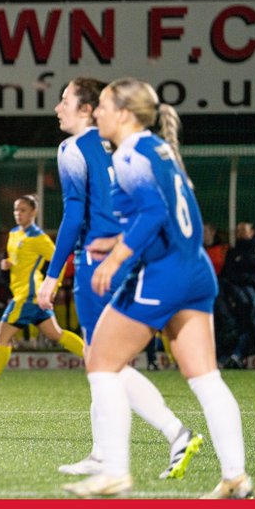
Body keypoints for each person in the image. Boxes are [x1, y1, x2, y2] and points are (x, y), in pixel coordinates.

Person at [65, 78, 254, 499]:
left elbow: (152, 213)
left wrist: (115, 258)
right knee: (206, 379)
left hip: (164, 275)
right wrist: (117, 241)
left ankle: (114, 470)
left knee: (100, 361)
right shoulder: (158, 149)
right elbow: (169, 213)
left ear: (125, 114)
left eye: (105, 106)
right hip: (195, 270)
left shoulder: (131, 154)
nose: (97, 113)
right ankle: (235, 476)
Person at [35, 77, 200, 481]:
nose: (58, 108)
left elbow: (74, 216)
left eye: (65, 100)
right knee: (100, 359)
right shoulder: (117, 146)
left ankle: (175, 432)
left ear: (87, 110)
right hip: (126, 256)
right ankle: (102, 451)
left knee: (104, 361)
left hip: (95, 261)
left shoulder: (72, 148)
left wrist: (52, 276)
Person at [0, 195, 84, 393]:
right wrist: (10, 264)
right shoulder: (14, 234)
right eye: (16, 210)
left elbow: (59, 260)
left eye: (23, 210)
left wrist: (53, 287)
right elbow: (21, 259)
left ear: (33, 212)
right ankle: (94, 359)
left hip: (28, 296)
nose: (18, 214)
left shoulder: (38, 238)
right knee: (56, 334)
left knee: (2, 335)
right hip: (28, 294)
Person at [220, 221, 255, 369]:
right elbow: (230, 274)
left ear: (252, 232)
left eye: (244, 230)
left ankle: (239, 355)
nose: (241, 233)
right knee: (247, 325)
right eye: (239, 230)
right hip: (240, 297)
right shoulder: (233, 252)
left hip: (254, 294)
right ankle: (236, 355)